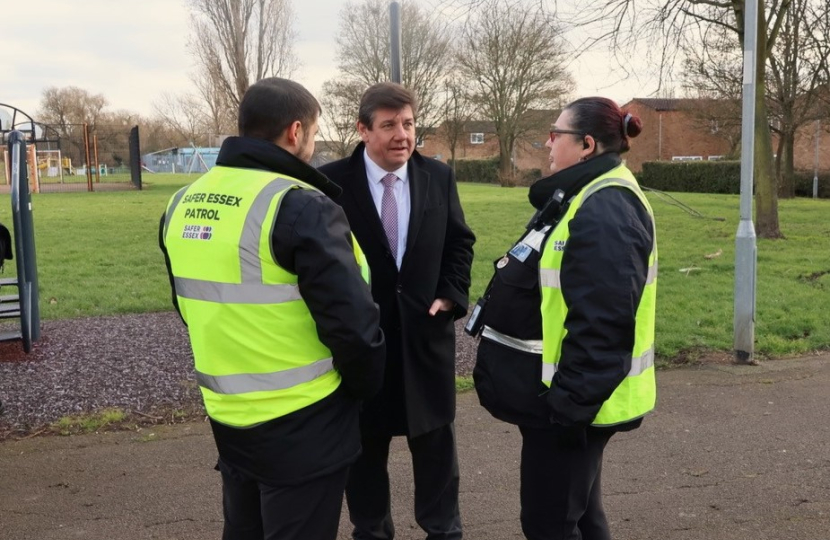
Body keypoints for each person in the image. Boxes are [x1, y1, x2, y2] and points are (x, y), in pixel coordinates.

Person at [159, 77, 386, 540]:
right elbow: (354, 328)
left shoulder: (181, 203)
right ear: (296, 131)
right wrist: (362, 390)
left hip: (228, 414)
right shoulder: (301, 206)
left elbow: (188, 305)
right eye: (316, 132)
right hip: (307, 419)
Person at [471, 97, 657, 540]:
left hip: (575, 406)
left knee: (549, 523)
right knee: (581, 516)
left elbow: (604, 320)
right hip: (572, 401)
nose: (548, 144)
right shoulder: (585, 193)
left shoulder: (606, 207)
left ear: (587, 144)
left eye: (557, 135)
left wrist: (567, 407)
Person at [319, 82, 475, 540]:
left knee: (437, 450)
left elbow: (459, 242)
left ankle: (444, 530)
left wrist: (450, 294)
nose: (402, 135)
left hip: (426, 338)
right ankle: (371, 532)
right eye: (388, 125)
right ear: (363, 130)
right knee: (364, 451)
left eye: (408, 124)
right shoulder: (330, 182)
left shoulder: (438, 176)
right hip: (363, 343)